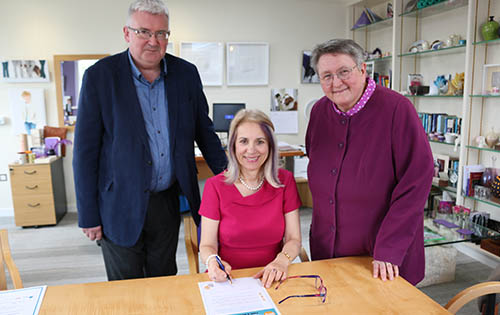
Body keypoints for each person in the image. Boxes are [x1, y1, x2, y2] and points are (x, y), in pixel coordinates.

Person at [73, 0, 227, 281]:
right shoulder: (99, 77)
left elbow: (204, 131)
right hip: (118, 202)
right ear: (126, 33)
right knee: (126, 286)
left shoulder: (186, 74)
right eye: (144, 32)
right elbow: (85, 152)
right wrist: (88, 215)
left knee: (164, 276)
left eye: (162, 34)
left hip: (167, 201)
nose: (153, 41)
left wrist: (231, 179)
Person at [306, 39, 433, 285]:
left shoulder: (397, 109)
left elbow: (416, 182)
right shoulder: (319, 111)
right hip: (328, 249)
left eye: (344, 72)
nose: (336, 82)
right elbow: (316, 159)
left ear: (363, 69)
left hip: (381, 256)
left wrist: (389, 248)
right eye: (326, 76)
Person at [199, 109, 302, 288]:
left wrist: (281, 261)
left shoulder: (285, 181)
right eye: (243, 141)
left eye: (260, 142)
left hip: (273, 275)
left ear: (270, 146)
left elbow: (294, 239)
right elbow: (207, 245)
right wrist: (212, 261)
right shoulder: (214, 186)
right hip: (228, 279)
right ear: (233, 146)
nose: (251, 150)